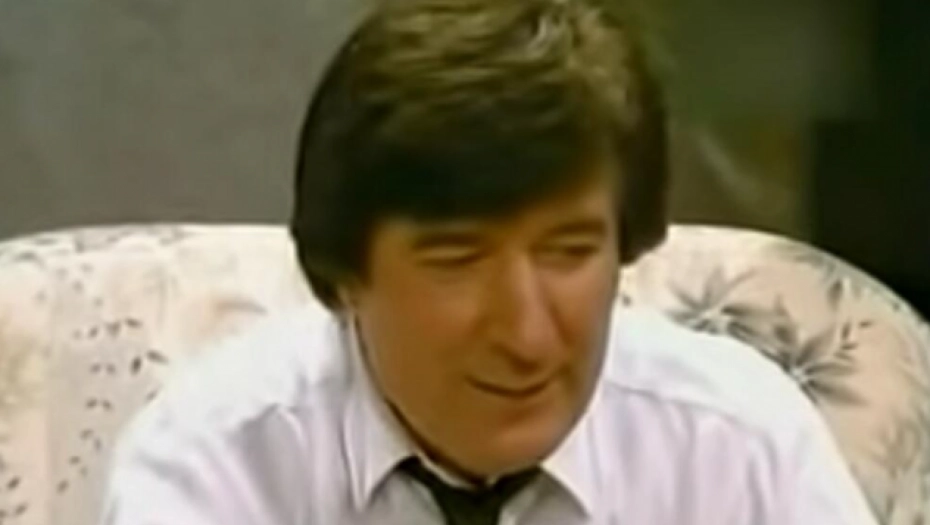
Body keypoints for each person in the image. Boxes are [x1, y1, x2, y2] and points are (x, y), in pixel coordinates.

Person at [99, 0, 879, 523]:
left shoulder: (740, 444)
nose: (528, 335)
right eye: (457, 259)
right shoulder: (212, 464)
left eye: (570, 252)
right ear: (345, 274)